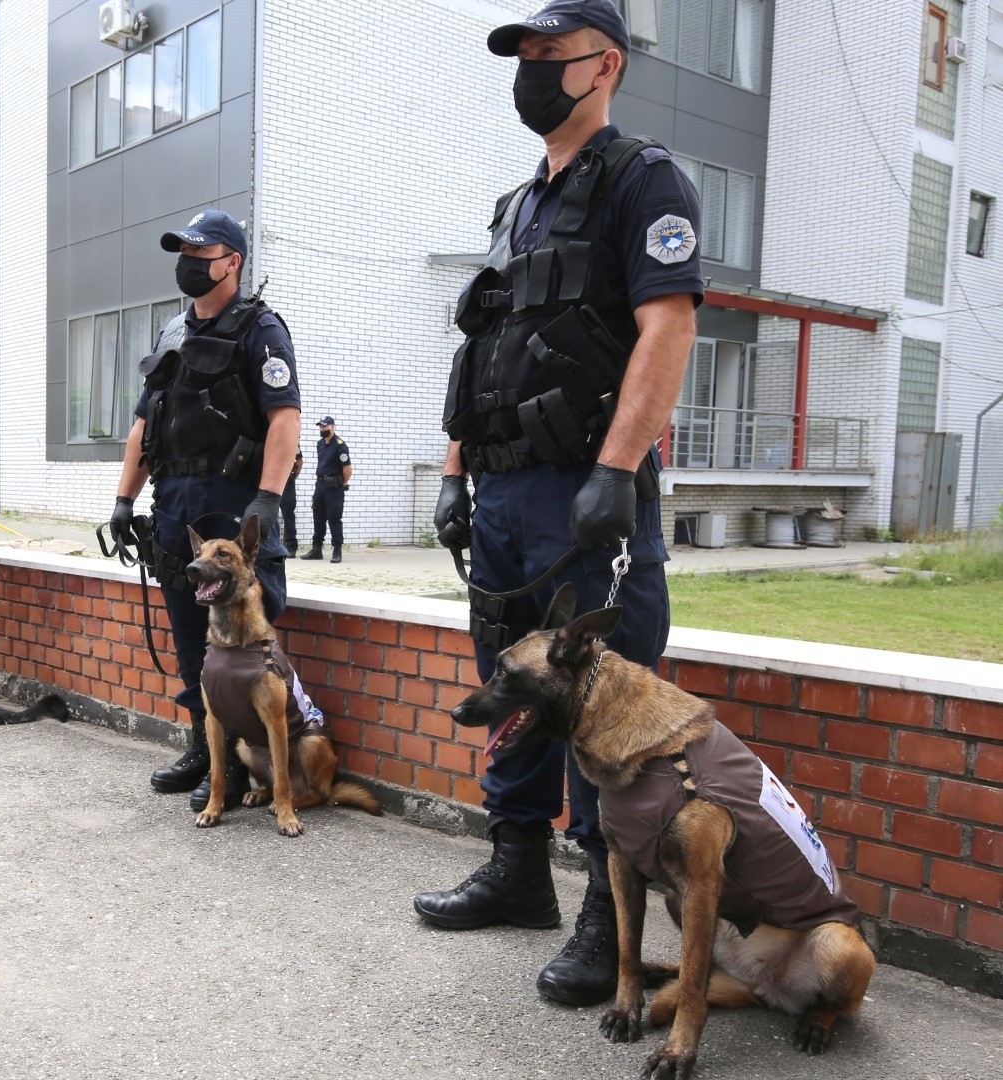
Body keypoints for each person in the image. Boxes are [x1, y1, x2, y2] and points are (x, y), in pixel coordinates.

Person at [413, 0, 701, 1009]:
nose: (530, 70)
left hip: (584, 487)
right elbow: (481, 353)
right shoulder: (516, 206)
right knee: (513, 685)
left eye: (549, 54)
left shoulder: (642, 179)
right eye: (521, 55)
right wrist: (454, 473)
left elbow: (666, 330)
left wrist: (616, 472)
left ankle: (603, 915)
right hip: (502, 491)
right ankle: (516, 870)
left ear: (603, 66)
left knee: (597, 704)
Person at [109, 209, 301, 811]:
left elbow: (284, 422)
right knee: (191, 634)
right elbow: (145, 423)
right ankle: (204, 748)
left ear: (233, 262)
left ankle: (248, 764)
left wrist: (267, 499)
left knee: (243, 641)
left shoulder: (261, 330)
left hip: (231, 504)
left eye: (202, 253)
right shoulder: (172, 333)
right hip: (176, 507)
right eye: (184, 254)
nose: (189, 264)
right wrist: (124, 499)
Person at [299, 417, 351, 563]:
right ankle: (316, 549)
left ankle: (337, 550)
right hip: (320, 485)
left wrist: (339, 483)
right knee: (318, 517)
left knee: (334, 518)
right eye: (320, 427)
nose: (322, 429)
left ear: (333, 427)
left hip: (334, 487)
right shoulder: (320, 444)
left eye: (325, 426)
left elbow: (347, 469)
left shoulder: (340, 445)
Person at [279, 450, 303, 556]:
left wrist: (292, 477)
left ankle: (291, 546)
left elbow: (299, 461)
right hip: (272, 479)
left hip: (286, 480)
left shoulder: (291, 437)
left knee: (288, 515)